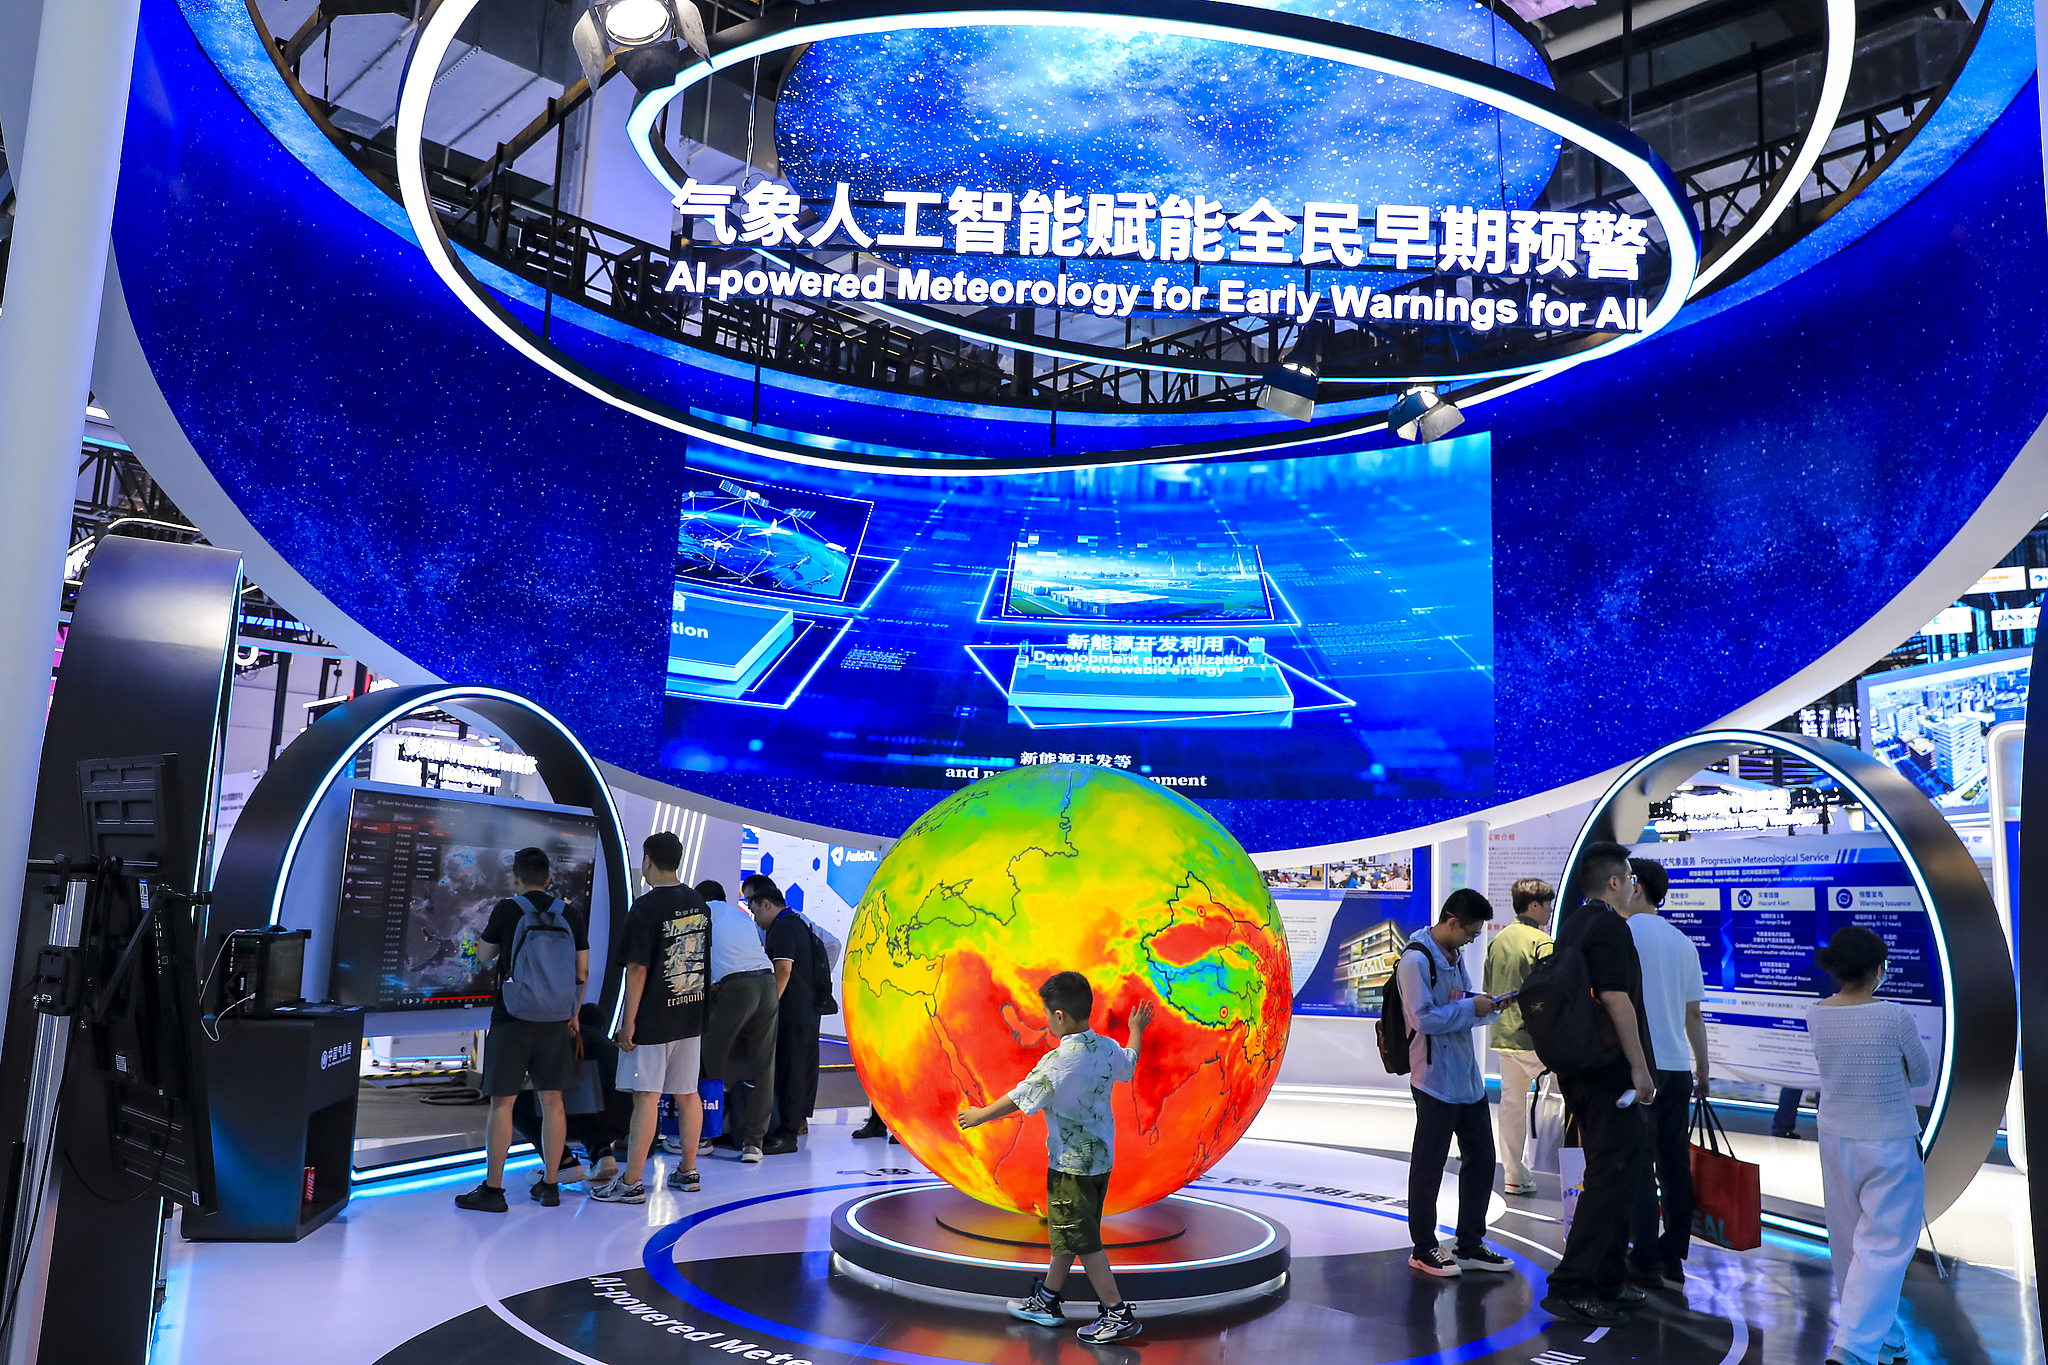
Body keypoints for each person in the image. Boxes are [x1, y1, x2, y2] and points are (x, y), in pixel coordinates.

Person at [957, 973, 1151, 1345]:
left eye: (1047, 1013)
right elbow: (1130, 1062)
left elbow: (1020, 1097)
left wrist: (980, 1115)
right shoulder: (1106, 1048)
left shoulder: (1058, 1062)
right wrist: (1135, 1029)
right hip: (1100, 1162)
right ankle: (1047, 1299)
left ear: (1059, 1015)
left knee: (1084, 1240)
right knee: (1070, 1233)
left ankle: (1117, 1313)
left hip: (1071, 1168)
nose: (1046, 1019)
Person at [1538, 841, 1658, 1326]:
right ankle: (1573, 1285)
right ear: (1614, 882)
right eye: (1630, 879)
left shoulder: (1574, 924)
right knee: (1611, 1175)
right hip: (1611, 1072)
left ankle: (1608, 1277)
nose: (1633, 887)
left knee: (1617, 1173)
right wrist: (1640, 1067)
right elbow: (1616, 998)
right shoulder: (1610, 927)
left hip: (1583, 1069)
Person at [1810, 926, 1929, 1365]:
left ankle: (1886, 1338)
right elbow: (1920, 1075)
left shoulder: (1817, 1014)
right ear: (1878, 968)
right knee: (1884, 1247)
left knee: (1847, 1245)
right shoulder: (1894, 1016)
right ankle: (1853, 1349)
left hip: (1836, 1138)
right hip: (1890, 1141)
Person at [456, 847, 589, 1213]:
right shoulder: (570, 913)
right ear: (549, 878)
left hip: (512, 1018)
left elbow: (484, 956)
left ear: (515, 877)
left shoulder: (507, 910)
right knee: (553, 1103)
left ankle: (493, 1190)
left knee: (503, 1103)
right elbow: (582, 971)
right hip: (556, 1020)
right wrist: (573, 1013)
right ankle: (551, 1185)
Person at [1399, 888, 1515, 1277]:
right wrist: (1470, 1006)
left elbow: (1459, 1003)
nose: (1471, 940)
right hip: (1433, 1080)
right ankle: (1423, 1247)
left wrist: (1489, 1007)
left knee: (1481, 1159)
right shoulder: (1415, 961)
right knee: (1429, 1166)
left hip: (1467, 1079)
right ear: (1452, 922)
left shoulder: (1454, 955)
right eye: (1470, 932)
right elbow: (1422, 1019)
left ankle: (1469, 1243)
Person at [592, 832, 712, 1203]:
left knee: (646, 1097)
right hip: (690, 1014)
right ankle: (688, 1171)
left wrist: (628, 1021)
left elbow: (638, 969)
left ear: (647, 860)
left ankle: (631, 1182)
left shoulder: (644, 908)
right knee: (688, 1093)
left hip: (653, 1019)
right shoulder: (698, 903)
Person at [1620, 857, 1710, 1289]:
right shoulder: (1683, 943)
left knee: (1638, 1161)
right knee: (1674, 1163)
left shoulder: (1622, 934)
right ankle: (1672, 1256)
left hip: (1639, 1065)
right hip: (1677, 1068)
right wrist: (1703, 1069)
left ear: (1635, 887)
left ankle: (1642, 1255)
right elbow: (1694, 1015)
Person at [695, 878, 779, 1162]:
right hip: (767, 984)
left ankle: (704, 1136)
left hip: (737, 988)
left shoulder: (703, 913)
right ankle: (754, 1144)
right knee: (763, 1067)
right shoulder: (742, 917)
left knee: (709, 1059)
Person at [1484, 876, 1555, 1196]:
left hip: (1504, 1034)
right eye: (1548, 904)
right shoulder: (1543, 942)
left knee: (1511, 1106)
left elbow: (1488, 989)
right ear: (1534, 905)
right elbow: (1554, 993)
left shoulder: (1497, 940)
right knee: (1556, 1105)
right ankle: (1567, 1175)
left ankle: (1513, 1175)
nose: (1550, 909)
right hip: (1539, 1040)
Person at [511, 1002, 629, 1185]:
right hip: (621, 1125)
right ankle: (602, 1153)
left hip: (583, 1117)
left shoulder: (569, 1040)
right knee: (593, 1103)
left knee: (514, 1105)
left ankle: (563, 1162)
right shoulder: (613, 1048)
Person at [744, 874, 815, 1155]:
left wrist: (769, 1006)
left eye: (755, 911)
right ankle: (788, 1129)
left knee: (790, 1073)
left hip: (792, 1013)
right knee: (793, 1071)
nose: (756, 919)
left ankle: (787, 1134)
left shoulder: (784, 927)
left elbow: (783, 970)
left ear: (767, 904)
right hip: (803, 1011)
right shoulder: (797, 923)